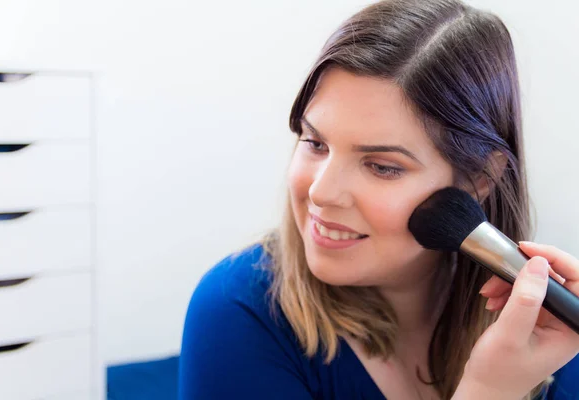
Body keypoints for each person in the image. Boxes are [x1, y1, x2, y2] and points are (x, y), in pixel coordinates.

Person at [178, 0, 579, 398]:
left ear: (479, 178)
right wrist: (489, 392)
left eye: (382, 167)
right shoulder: (236, 310)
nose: (321, 191)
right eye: (314, 142)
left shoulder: (546, 334)